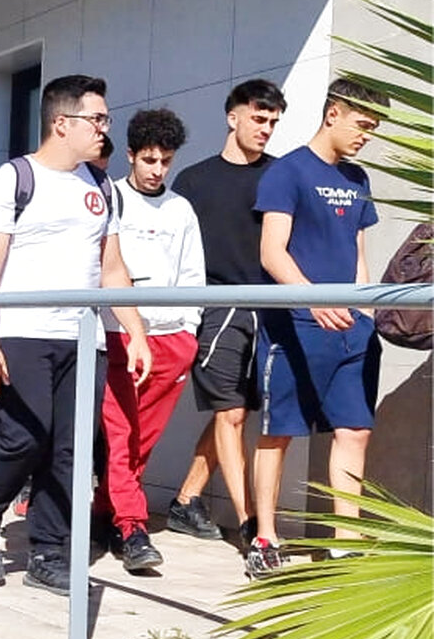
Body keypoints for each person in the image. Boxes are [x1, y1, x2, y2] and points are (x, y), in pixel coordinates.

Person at [0, 74, 152, 594]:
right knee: (26, 436)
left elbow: (112, 269)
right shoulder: (14, 178)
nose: (104, 130)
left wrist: (134, 331)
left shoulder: (100, 187)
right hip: (23, 332)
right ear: (61, 123)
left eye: (105, 120)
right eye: (97, 119)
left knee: (72, 449)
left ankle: (49, 552)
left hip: (83, 335)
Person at [246, 78, 387, 578]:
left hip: (351, 330)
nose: (366, 136)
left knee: (355, 431)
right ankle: (264, 536)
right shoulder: (287, 173)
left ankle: (344, 543)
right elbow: (271, 252)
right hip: (296, 327)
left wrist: (364, 314)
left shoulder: (358, 179)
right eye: (362, 124)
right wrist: (315, 298)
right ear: (333, 113)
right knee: (280, 432)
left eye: (373, 129)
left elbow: (358, 255)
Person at [167, 79, 288, 546]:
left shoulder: (280, 176)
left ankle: (185, 500)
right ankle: (251, 523)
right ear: (232, 116)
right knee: (232, 414)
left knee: (237, 413)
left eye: (274, 121)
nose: (266, 128)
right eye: (259, 118)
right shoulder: (193, 182)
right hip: (216, 308)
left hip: (270, 308)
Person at [92, 109, 205, 573]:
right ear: (133, 155)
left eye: (166, 161)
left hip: (170, 341)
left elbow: (193, 275)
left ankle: (107, 513)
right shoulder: (107, 198)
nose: (158, 170)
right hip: (116, 337)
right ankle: (134, 527)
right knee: (118, 438)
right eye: (150, 160)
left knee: (142, 442)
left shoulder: (180, 209)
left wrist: (188, 333)